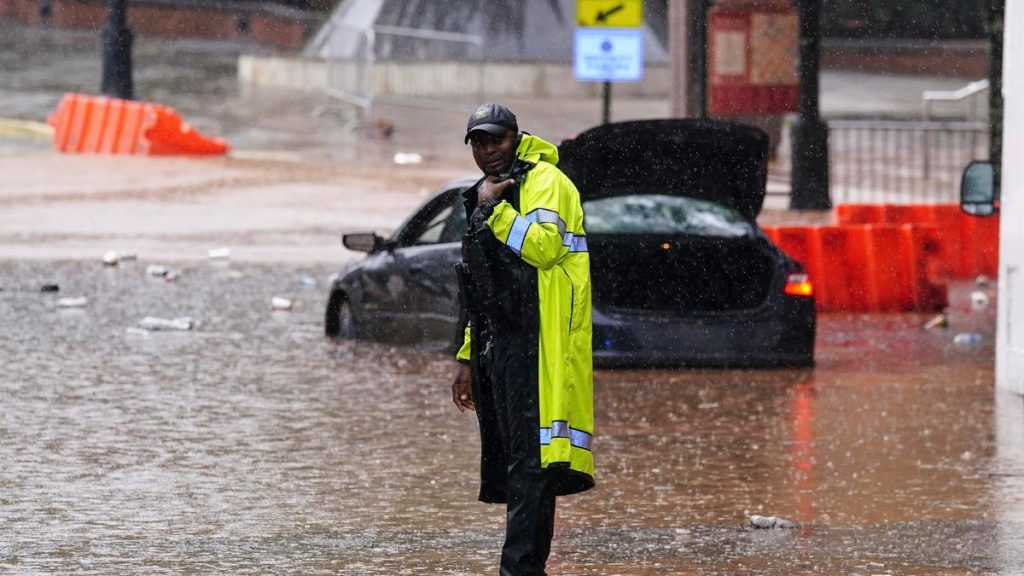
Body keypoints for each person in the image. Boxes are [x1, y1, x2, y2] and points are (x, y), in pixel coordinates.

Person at [451, 102, 595, 576]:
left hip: (540, 346)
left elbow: (545, 249)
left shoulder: (547, 182)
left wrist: (494, 211)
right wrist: (468, 358)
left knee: (531, 466)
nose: (488, 150)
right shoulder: (484, 193)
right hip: (503, 346)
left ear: (516, 136)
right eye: (478, 142)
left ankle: (519, 570)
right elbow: (481, 286)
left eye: (496, 139)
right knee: (517, 465)